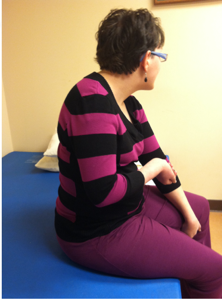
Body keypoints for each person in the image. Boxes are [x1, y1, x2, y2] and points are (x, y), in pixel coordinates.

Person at [55, 8, 222, 298]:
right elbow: (103, 192)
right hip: (97, 231)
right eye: (161, 56)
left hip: (129, 205)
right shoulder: (91, 100)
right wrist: (153, 169)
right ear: (146, 60)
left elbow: (155, 155)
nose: (161, 63)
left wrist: (189, 216)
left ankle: (194, 283)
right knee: (217, 268)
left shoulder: (129, 103)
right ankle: (205, 277)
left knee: (201, 210)